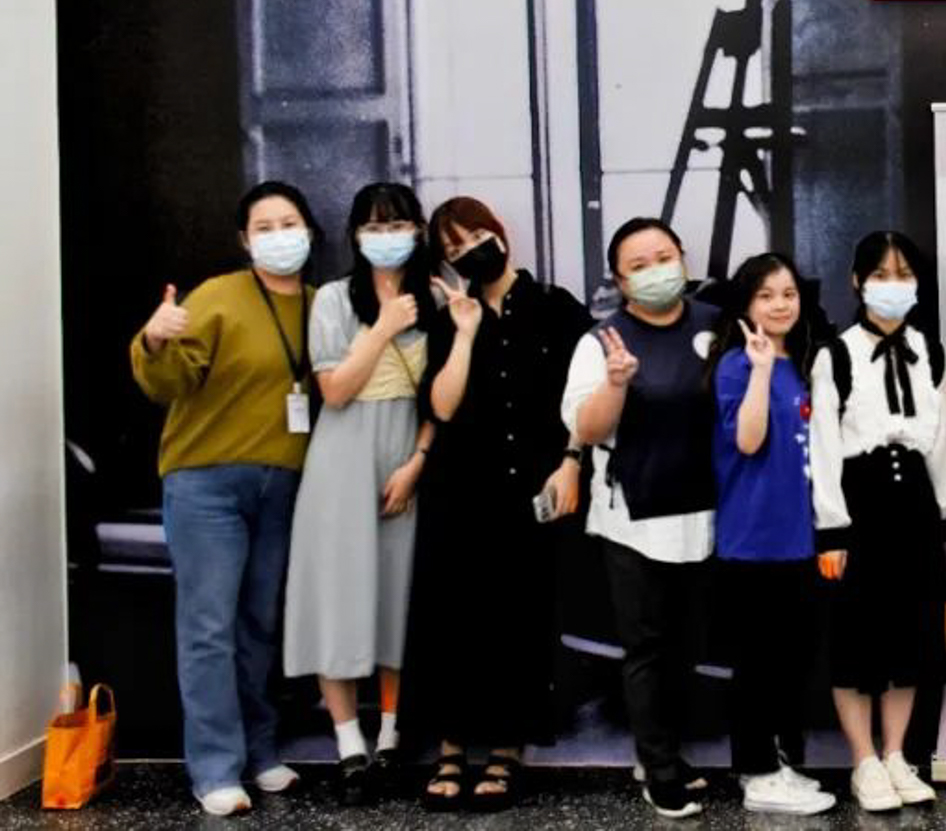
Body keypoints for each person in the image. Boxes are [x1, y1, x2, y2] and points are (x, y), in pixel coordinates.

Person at [130, 180, 319, 817]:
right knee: (208, 627)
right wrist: (154, 340)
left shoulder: (321, 305)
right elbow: (168, 382)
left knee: (259, 624)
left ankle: (260, 752)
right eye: (264, 227)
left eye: (288, 223)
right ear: (245, 240)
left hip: (283, 482)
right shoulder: (218, 295)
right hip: (206, 483)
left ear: (309, 231)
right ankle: (214, 767)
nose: (278, 236)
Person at [399, 196, 593, 812]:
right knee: (454, 619)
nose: (469, 252)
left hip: (533, 488)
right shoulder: (451, 318)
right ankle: (452, 747)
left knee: (520, 617)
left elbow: (584, 395)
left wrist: (571, 460)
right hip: (460, 489)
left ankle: (508, 748)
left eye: (474, 237)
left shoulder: (556, 308)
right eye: (453, 249)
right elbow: (442, 406)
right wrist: (463, 333)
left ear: (500, 234)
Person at [281, 183, 436, 805]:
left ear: (417, 230)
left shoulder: (437, 299)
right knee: (338, 594)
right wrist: (384, 327)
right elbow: (336, 389)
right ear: (354, 235)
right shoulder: (332, 301)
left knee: (398, 594)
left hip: (407, 455)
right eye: (373, 226)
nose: (386, 237)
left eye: (396, 225)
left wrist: (417, 463)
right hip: (342, 456)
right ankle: (349, 743)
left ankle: (393, 735)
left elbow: (443, 400)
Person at [563, 217, 720, 820]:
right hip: (634, 515)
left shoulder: (716, 326)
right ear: (620, 281)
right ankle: (658, 770)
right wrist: (616, 385)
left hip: (704, 509)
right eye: (639, 266)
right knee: (646, 647)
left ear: (682, 258)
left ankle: (665, 751)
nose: (656, 271)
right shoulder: (601, 342)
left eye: (664, 257)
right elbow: (586, 428)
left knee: (688, 644)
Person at [808, 232, 946, 813]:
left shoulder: (931, 351)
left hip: (914, 503)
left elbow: (942, 441)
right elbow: (823, 446)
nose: (893, 286)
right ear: (857, 282)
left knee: (912, 633)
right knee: (855, 636)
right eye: (881, 275)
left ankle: (896, 755)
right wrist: (832, 530)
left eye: (904, 275)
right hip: (858, 501)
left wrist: (941, 513)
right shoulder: (836, 355)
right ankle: (863, 761)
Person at [707, 253, 837, 816]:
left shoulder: (805, 363)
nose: (781, 304)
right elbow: (748, 441)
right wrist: (760, 370)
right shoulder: (738, 364)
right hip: (752, 538)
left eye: (788, 293)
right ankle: (756, 773)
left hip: (799, 538)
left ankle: (779, 765)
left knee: (788, 662)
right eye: (766, 295)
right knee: (756, 665)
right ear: (746, 304)